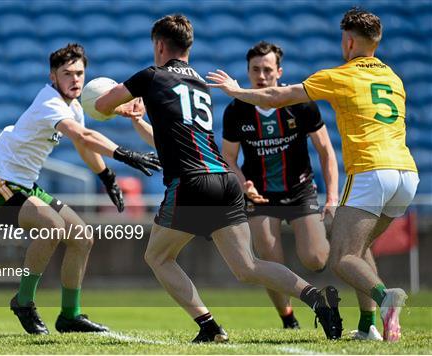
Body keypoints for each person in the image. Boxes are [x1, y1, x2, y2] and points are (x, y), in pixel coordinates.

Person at [95, 14, 342, 342]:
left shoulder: (151, 76)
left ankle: (209, 327)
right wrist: (138, 120)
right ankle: (316, 298)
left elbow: (100, 103)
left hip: (192, 183)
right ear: (190, 47)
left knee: (157, 256)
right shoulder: (198, 82)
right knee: (248, 267)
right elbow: (172, 141)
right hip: (225, 180)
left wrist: (118, 106)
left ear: (158, 45)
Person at [207, 8, 419, 342]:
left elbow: (280, 97)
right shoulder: (393, 77)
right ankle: (368, 327)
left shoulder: (340, 74)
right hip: (407, 174)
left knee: (342, 257)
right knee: (360, 248)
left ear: (348, 41)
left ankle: (386, 298)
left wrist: (234, 90)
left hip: (370, 170)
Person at [0, 43, 161, 335]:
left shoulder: (74, 106)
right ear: (53, 77)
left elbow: (82, 145)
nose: (75, 80)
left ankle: (70, 316)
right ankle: (23, 301)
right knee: (51, 226)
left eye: (79, 73)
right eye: (67, 74)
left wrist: (107, 176)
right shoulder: (49, 102)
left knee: (82, 238)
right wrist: (126, 154)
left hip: (26, 186)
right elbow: (83, 135)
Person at [222, 41, 339, 330]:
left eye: (267, 70)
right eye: (255, 70)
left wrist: (332, 197)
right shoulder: (236, 110)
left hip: (300, 189)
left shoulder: (299, 103)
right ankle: (288, 318)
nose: (261, 76)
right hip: (260, 195)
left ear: (279, 72)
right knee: (269, 259)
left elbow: (326, 151)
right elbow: (228, 156)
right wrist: (241, 183)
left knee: (315, 258)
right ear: (247, 72)